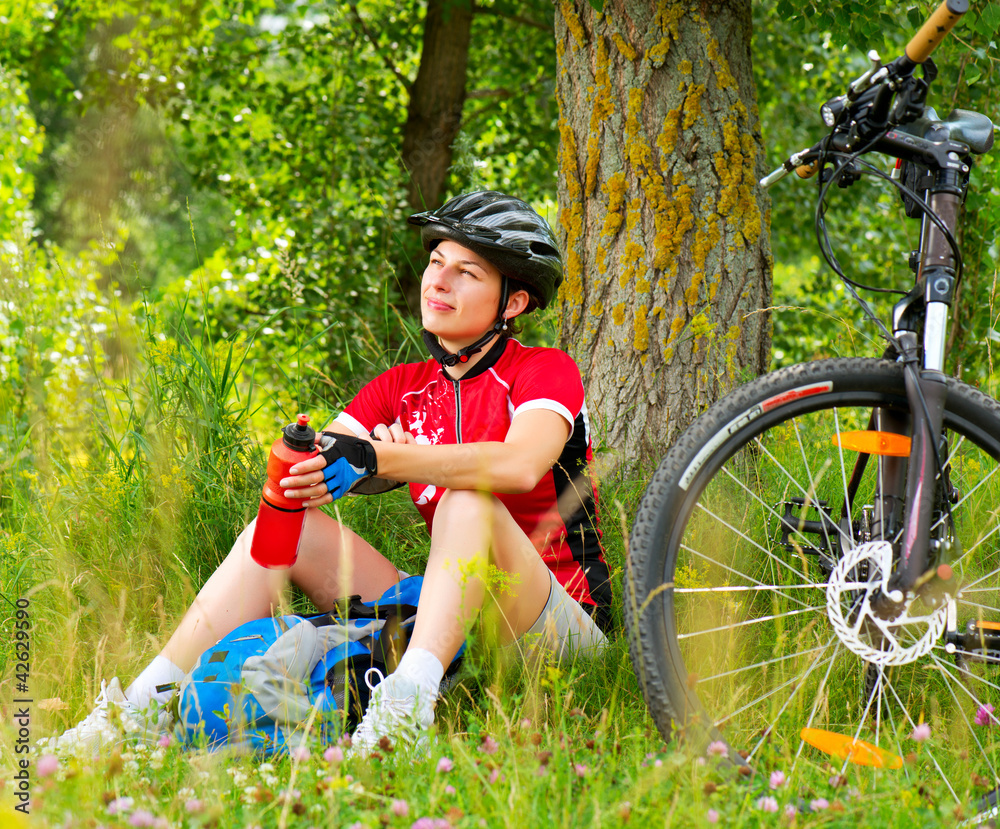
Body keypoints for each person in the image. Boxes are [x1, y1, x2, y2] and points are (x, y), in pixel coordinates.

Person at [44, 191, 612, 755]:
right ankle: (138, 709)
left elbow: (518, 465)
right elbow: (317, 469)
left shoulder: (543, 371)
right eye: (437, 261)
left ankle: (404, 711)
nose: (439, 281)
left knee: (466, 501)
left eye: (467, 272)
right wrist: (344, 465)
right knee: (289, 528)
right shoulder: (401, 387)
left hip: (556, 626)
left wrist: (387, 457)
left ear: (512, 304)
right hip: (450, 618)